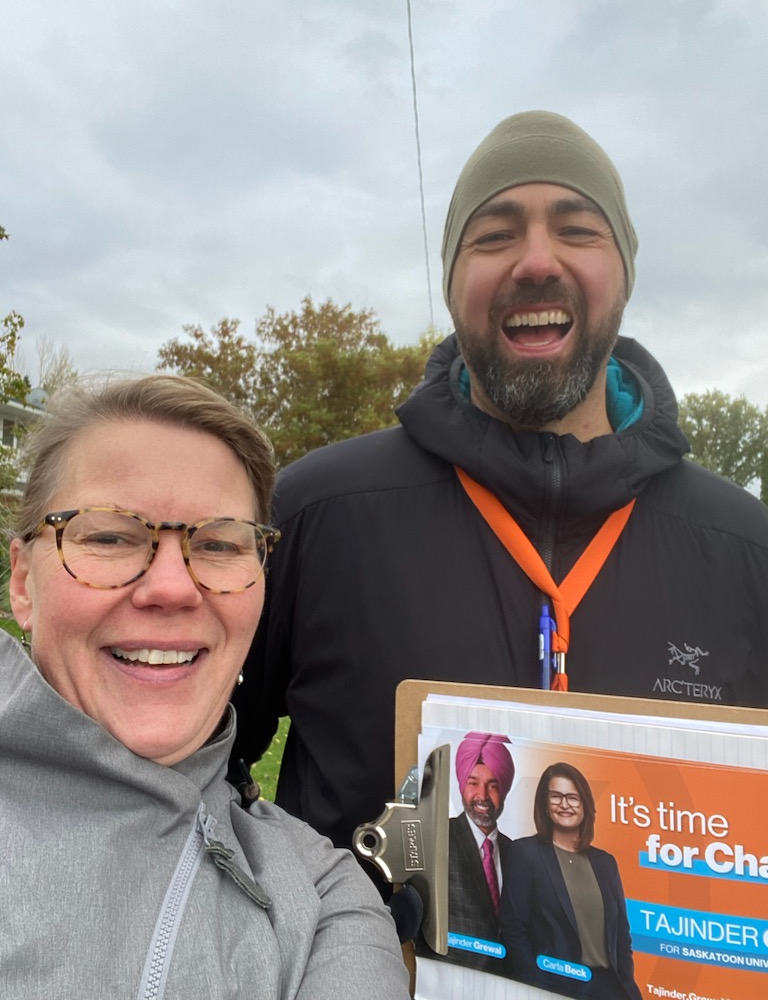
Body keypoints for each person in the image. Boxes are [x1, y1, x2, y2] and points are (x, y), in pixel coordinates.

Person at [232, 110, 768, 884]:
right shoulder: (313, 513)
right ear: (452, 282)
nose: (536, 260)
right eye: (493, 235)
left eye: (578, 230)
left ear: (623, 275)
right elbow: (192, 768)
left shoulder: (746, 549)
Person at [1, 375, 409, 999]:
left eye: (218, 544)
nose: (172, 588)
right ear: (23, 584)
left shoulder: (324, 900)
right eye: (109, 536)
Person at [500, 763, 642, 999]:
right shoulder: (526, 853)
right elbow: (513, 928)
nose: (564, 804)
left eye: (573, 798)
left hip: (609, 988)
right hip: (555, 986)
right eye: (556, 796)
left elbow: (621, 934)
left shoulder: (606, 863)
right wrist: (532, 984)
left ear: (585, 804)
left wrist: (627, 985)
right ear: (545, 804)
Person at [443, 732, 515, 972]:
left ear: (504, 790)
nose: (482, 796)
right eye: (473, 783)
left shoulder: (517, 853)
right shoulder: (439, 838)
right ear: (462, 785)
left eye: (493, 786)